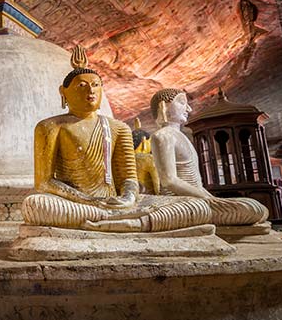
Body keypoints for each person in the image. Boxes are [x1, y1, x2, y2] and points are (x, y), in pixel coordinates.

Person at [21, 46, 219, 233]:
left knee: (196, 206)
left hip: (116, 203)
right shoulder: (50, 127)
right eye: (81, 85)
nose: (90, 91)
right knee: (36, 205)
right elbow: (44, 182)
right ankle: (132, 222)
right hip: (78, 204)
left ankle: (128, 222)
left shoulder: (118, 127)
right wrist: (87, 200)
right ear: (63, 92)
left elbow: (128, 178)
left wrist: (128, 198)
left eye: (96, 85)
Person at [149, 89, 268, 225]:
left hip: (198, 198)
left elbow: (196, 184)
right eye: (182, 102)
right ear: (163, 106)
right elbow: (169, 181)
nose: (188, 108)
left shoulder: (182, 137)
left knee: (256, 208)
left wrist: (211, 198)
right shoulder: (163, 136)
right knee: (251, 210)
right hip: (178, 202)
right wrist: (209, 199)